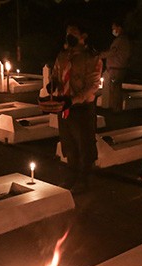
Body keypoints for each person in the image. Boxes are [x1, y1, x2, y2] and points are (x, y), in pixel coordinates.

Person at [49, 20, 102, 194]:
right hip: (64, 106)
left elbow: (92, 85)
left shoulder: (91, 58)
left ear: (83, 36)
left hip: (82, 107)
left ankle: (84, 180)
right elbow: (56, 74)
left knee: (84, 145)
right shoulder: (63, 55)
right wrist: (52, 85)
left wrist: (74, 100)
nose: (68, 36)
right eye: (67, 33)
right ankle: (71, 177)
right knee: (68, 143)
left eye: (73, 33)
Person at [99, 19, 130, 112]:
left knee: (115, 90)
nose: (113, 30)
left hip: (117, 68)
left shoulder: (120, 40)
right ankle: (116, 108)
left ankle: (116, 109)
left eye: (114, 28)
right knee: (115, 89)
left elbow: (112, 52)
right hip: (119, 67)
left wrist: (99, 55)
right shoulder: (123, 40)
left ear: (119, 28)